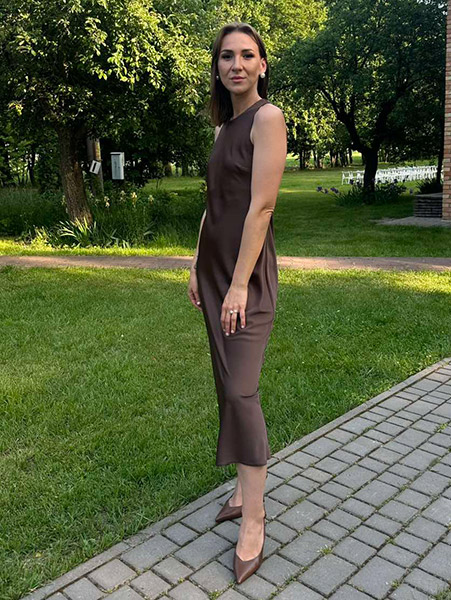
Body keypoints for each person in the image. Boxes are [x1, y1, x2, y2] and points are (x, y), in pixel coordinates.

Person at [187, 21, 287, 584]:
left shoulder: (268, 119)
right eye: (227, 56)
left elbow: (261, 207)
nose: (237, 65)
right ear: (218, 68)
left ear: (262, 65)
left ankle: (255, 518)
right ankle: (243, 492)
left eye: (248, 55)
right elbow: (215, 202)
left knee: (240, 391)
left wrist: (240, 284)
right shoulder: (224, 127)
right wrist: (195, 264)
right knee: (227, 383)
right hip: (214, 271)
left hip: (245, 276)